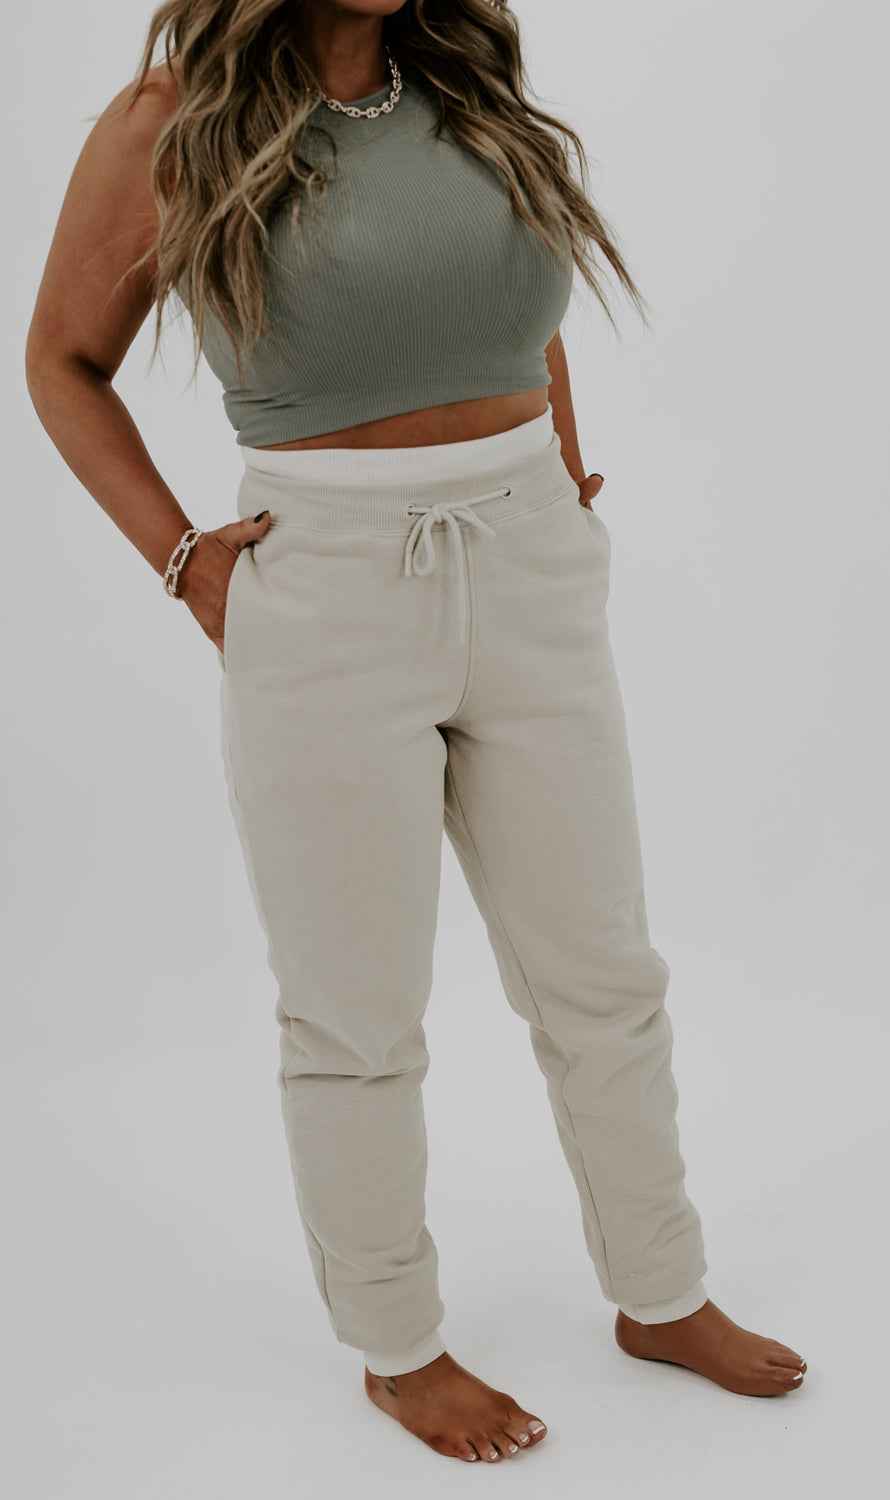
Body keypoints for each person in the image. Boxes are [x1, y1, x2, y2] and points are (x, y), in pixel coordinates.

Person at [25, 0, 807, 1466]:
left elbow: (518, 310)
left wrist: (562, 483)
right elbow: (61, 360)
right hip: (320, 590)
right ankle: (398, 1346)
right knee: (355, 1011)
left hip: (530, 567)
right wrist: (185, 559)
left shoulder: (464, 80)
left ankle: (660, 1291)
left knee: (602, 974)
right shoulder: (169, 123)